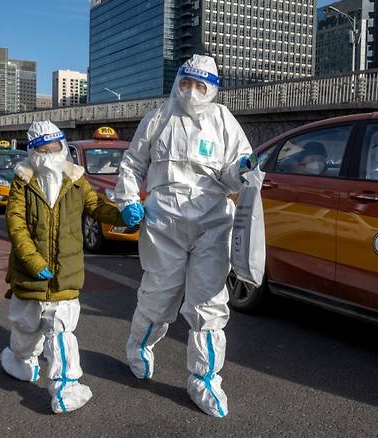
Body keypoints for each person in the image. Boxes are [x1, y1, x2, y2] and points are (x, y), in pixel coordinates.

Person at [114, 54, 257, 418]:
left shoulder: (224, 120)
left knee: (209, 304)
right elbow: (132, 163)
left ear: (213, 89)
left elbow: (235, 173)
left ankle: (204, 378)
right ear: (178, 81)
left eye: (200, 85)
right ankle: (139, 347)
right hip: (164, 223)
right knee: (158, 295)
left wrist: (241, 170)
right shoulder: (158, 117)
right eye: (186, 83)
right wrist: (128, 199)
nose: (192, 92)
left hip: (212, 222)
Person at [1, 120, 141, 414]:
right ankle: (19, 357)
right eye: (44, 148)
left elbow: (96, 207)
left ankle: (67, 385)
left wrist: (122, 215)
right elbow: (16, 226)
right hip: (30, 275)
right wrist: (33, 261)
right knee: (26, 329)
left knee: (61, 330)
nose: (51, 154)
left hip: (66, 273)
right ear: (32, 151)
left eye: (55, 147)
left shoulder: (76, 180)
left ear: (62, 146)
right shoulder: (21, 182)